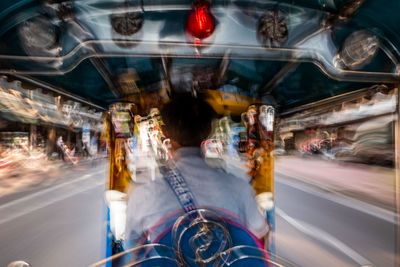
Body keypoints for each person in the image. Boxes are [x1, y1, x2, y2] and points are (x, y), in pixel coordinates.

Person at [125, 93, 268, 243]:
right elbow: (259, 237)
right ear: (209, 131)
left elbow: (131, 245)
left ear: (164, 131)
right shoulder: (240, 190)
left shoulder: (144, 196)